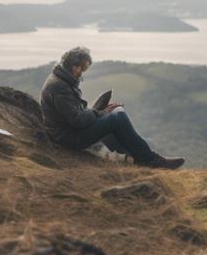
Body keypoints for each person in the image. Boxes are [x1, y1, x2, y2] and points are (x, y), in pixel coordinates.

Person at [40, 46, 185, 170]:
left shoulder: (62, 80)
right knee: (117, 118)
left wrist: (100, 111)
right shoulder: (59, 87)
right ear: (74, 66)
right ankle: (151, 160)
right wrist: (99, 112)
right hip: (69, 138)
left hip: (69, 131)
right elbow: (77, 120)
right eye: (82, 68)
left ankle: (133, 157)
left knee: (116, 113)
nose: (82, 72)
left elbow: (74, 114)